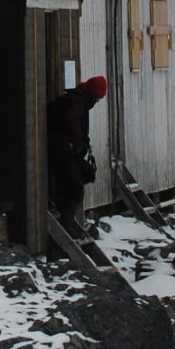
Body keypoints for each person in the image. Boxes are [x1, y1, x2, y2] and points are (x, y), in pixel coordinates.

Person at [47, 75, 107, 237]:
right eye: (97, 98)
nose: (96, 102)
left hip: (63, 148)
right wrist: (79, 143)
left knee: (78, 178)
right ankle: (65, 224)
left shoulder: (77, 98)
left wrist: (82, 143)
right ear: (93, 94)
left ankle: (58, 208)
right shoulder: (78, 102)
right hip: (61, 149)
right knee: (76, 187)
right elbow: (72, 121)